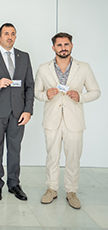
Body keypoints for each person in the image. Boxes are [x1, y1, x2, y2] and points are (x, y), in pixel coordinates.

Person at [35, 32, 100, 209]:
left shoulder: (84, 67)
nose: (63, 48)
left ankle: (71, 192)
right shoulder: (43, 68)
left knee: (73, 157)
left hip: (74, 120)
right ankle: (51, 189)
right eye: (59, 45)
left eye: (66, 44)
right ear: (53, 48)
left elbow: (96, 91)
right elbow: (36, 92)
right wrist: (45, 95)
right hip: (51, 120)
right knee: (52, 156)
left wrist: (80, 97)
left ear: (71, 46)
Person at [0, 23, 34, 201]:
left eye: (12, 34)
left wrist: (28, 111)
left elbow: (29, 86)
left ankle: (14, 184)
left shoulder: (24, 57)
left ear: (15, 36)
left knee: (15, 149)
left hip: (18, 112)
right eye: (6, 34)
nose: (9, 37)